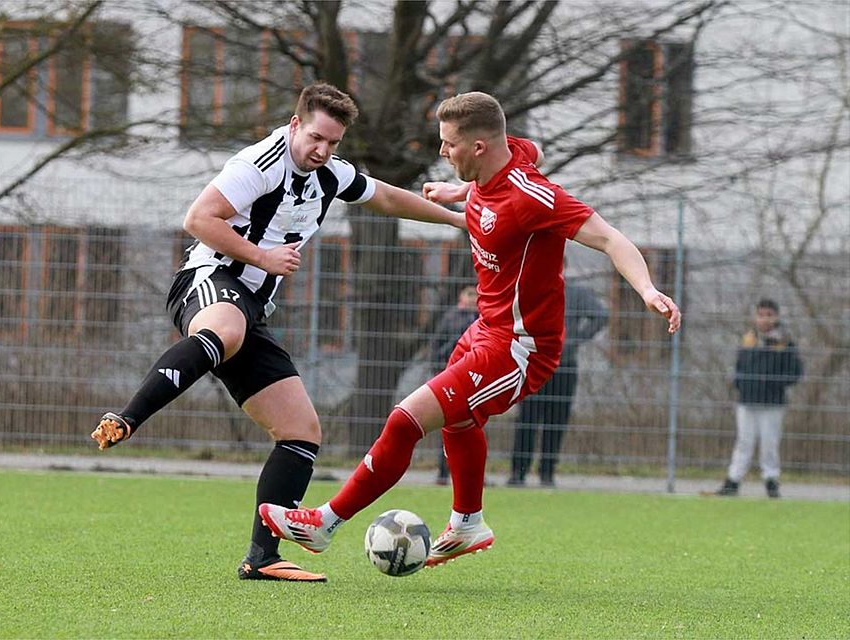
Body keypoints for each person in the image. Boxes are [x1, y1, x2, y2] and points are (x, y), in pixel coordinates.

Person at [259, 91, 681, 570]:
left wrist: (647, 289)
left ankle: (323, 525)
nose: (442, 153)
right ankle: (467, 523)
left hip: (520, 349)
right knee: (459, 419)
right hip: (485, 329)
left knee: (405, 419)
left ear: (479, 146)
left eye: (450, 145)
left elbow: (608, 237)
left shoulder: (531, 198)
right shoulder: (504, 156)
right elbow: (528, 152)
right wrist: (460, 192)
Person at [89, 83, 465, 582]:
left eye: (333, 143)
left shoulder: (330, 174)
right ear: (294, 125)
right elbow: (199, 218)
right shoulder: (257, 164)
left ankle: (262, 557)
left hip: (250, 313)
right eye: (315, 138)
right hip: (207, 281)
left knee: (300, 433)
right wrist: (264, 257)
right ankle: (128, 417)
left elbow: (389, 199)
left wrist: (460, 220)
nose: (323, 150)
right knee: (225, 327)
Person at [509, 278, 607, 487]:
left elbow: (601, 316)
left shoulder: (570, 293)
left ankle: (532, 473)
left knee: (544, 420)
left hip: (551, 363)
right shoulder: (533, 289)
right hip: (539, 363)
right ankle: (532, 473)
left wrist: (573, 341)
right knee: (535, 420)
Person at [716, 298, 802, 498]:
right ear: (755, 317)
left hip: (772, 403)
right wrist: (741, 385)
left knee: (769, 443)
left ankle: (771, 480)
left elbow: (795, 372)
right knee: (744, 442)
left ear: (777, 317)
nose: (764, 320)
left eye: (769, 315)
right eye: (761, 315)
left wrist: (774, 384)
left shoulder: (784, 342)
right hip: (747, 401)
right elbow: (739, 367)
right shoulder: (749, 340)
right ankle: (733, 480)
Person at [428, 286, 479, 484]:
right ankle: (443, 472)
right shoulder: (450, 318)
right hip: (450, 378)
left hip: (472, 380)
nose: (473, 298)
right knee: (449, 426)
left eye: (475, 295)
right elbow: (437, 347)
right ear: (461, 297)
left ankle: (472, 477)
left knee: (472, 427)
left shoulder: (481, 319)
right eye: (469, 294)